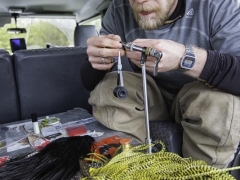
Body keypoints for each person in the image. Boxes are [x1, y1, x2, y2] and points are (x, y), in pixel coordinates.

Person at [81, 0, 240, 169]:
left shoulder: (218, 5)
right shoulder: (119, 8)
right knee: (110, 87)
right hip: (151, 99)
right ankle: (136, 169)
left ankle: (202, 173)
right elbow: (88, 82)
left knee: (220, 101)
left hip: (200, 96)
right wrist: (99, 59)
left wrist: (184, 58)